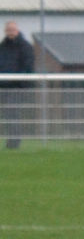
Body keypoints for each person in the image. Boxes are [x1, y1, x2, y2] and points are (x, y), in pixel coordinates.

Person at [0, 20, 35, 149]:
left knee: (13, 114)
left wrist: (18, 81)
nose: (10, 32)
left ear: (17, 31)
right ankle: (11, 141)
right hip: (3, 87)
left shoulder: (25, 47)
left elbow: (28, 66)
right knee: (7, 115)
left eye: (12, 30)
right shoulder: (3, 46)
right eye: (8, 30)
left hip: (16, 87)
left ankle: (14, 142)